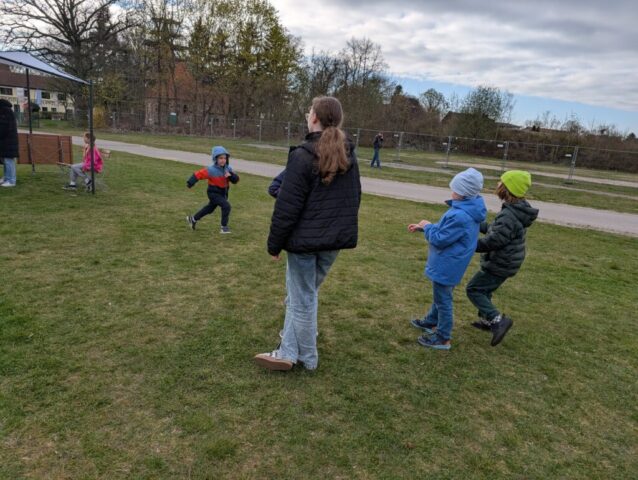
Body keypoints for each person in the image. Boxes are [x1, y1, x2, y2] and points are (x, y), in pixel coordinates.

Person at [254, 96, 361, 371]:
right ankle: (289, 349)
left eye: (310, 111)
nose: (307, 114)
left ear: (314, 118)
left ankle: (306, 357)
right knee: (303, 296)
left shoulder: (305, 156)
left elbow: (287, 208)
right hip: (332, 242)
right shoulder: (347, 155)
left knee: (301, 299)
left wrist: (274, 245)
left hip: (306, 243)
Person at [408, 168, 486, 350]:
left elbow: (439, 238)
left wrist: (427, 226)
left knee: (443, 300)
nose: (452, 192)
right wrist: (424, 228)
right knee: (441, 296)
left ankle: (443, 337)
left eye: (454, 189)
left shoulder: (460, 215)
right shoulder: (467, 210)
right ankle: (431, 321)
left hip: (448, 264)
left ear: (463, 193)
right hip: (452, 263)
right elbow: (447, 231)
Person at [465, 170, 538, 346]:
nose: (497, 184)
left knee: (474, 289)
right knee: (485, 290)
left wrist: (470, 246)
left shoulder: (509, 214)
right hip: (507, 261)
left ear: (507, 188)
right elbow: (497, 230)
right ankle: (487, 321)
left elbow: (495, 240)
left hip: (501, 263)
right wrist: (478, 224)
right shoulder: (516, 209)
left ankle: (498, 320)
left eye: (501, 182)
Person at [186, 146, 239, 234]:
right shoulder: (211, 170)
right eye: (220, 158)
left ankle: (193, 219)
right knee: (226, 206)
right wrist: (190, 182)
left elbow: (236, 180)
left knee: (210, 208)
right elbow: (198, 174)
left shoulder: (228, 169)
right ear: (215, 159)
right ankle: (224, 227)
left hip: (223, 193)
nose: (223, 160)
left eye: (225, 158)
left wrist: (231, 176)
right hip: (213, 192)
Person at [0, 99, 19, 188]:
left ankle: (11, 181)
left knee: (8, 161)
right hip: (6, 141)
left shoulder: (5, 112)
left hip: (8, 141)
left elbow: (3, 128)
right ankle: (6, 178)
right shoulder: (6, 111)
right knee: (6, 160)